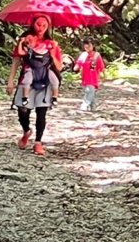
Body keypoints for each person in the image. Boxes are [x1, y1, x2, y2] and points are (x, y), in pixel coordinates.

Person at [6, 15, 62, 155]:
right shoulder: (26, 40)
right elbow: (16, 60)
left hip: (44, 81)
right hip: (27, 79)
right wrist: (10, 81)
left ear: (48, 27)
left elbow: (59, 66)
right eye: (38, 24)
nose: (41, 28)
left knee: (41, 113)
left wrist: (52, 51)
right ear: (33, 24)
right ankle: (26, 131)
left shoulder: (51, 43)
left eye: (44, 26)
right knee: (23, 111)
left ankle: (38, 142)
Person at [74, 38, 106, 112]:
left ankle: (84, 106)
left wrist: (104, 75)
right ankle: (93, 107)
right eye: (85, 47)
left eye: (89, 46)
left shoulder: (97, 55)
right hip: (85, 78)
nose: (87, 48)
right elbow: (78, 64)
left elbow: (101, 66)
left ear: (93, 46)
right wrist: (76, 68)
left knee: (90, 91)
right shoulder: (83, 55)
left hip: (93, 78)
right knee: (90, 92)